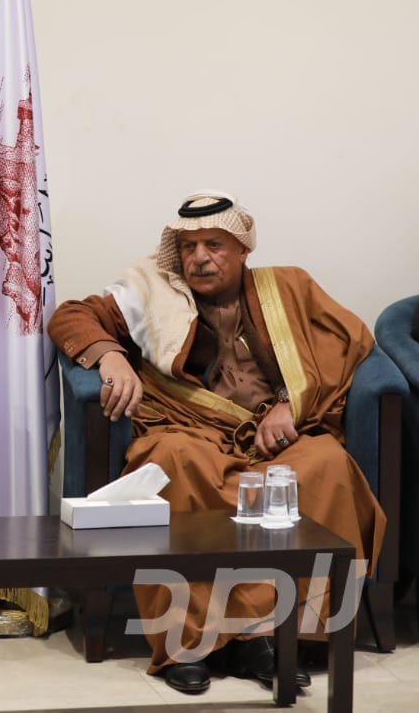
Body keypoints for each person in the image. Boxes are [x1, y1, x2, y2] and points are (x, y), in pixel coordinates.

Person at [47, 190, 384, 695]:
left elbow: (349, 342)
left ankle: (280, 638)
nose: (200, 258)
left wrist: (291, 405)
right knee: (171, 461)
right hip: (190, 430)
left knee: (327, 464)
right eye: (189, 247)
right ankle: (190, 644)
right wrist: (110, 356)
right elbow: (71, 316)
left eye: (214, 245)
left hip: (277, 438)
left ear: (243, 248)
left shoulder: (288, 287)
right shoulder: (154, 292)